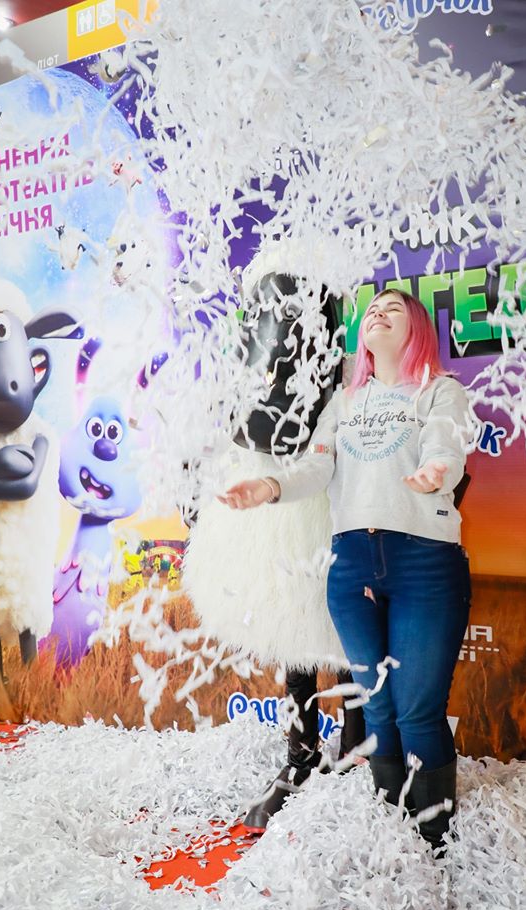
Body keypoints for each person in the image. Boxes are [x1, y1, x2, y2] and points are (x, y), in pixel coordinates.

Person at [220, 288, 472, 852]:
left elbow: (446, 447)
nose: (378, 314)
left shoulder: (440, 390)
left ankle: (432, 839)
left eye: (393, 309)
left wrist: (437, 470)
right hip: (352, 566)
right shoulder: (345, 401)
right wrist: (270, 486)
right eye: (373, 309)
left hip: (424, 562)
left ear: (417, 329)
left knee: (417, 710)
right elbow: (318, 466)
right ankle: (391, 828)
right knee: (377, 703)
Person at [183, 256, 366, 832]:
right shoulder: (249, 361)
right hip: (270, 505)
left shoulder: (350, 377)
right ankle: (301, 752)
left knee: (345, 627)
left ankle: (356, 749)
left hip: (328, 503)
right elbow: (239, 422)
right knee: (291, 621)